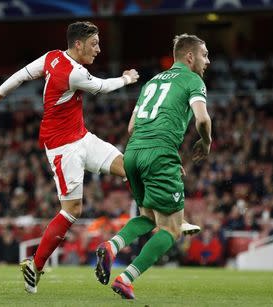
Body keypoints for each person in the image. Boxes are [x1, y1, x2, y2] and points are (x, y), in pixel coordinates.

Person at [0, 21, 139, 293]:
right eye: (94, 44)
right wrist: (127, 78)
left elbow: (21, 74)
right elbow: (101, 87)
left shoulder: (52, 57)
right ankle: (35, 266)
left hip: (82, 136)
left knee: (128, 167)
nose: (98, 49)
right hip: (63, 148)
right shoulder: (73, 72)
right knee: (72, 210)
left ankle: (154, 224)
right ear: (78, 44)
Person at [95, 34, 212, 299]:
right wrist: (206, 143)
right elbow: (203, 120)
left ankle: (113, 246)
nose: (208, 60)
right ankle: (126, 278)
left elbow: (131, 127)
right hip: (158, 154)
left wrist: (164, 155)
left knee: (149, 217)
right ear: (190, 57)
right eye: (204, 55)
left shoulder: (152, 82)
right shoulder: (193, 80)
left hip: (133, 153)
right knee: (171, 227)